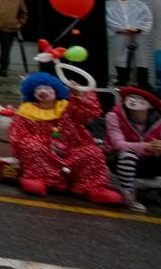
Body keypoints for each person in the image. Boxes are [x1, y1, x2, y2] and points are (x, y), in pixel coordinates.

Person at [9, 72, 121, 204]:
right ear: (32, 93)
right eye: (38, 89)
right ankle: (39, 180)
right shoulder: (26, 111)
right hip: (45, 153)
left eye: (47, 88)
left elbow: (91, 112)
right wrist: (41, 143)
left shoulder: (69, 106)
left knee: (93, 153)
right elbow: (19, 136)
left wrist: (79, 93)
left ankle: (94, 188)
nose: (43, 91)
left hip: (74, 150)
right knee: (32, 147)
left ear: (56, 90)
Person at [106, 86, 161, 213]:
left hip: (148, 161)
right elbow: (118, 144)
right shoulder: (113, 116)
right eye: (131, 97)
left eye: (139, 98)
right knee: (128, 155)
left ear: (150, 105)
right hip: (118, 160)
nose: (134, 101)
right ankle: (128, 195)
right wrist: (147, 146)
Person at [106, 0, 153, 88]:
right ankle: (122, 82)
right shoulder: (109, 6)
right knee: (121, 59)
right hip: (119, 36)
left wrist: (138, 29)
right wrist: (121, 29)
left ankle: (143, 84)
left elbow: (147, 18)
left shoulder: (140, 5)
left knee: (141, 60)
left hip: (137, 36)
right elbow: (107, 20)